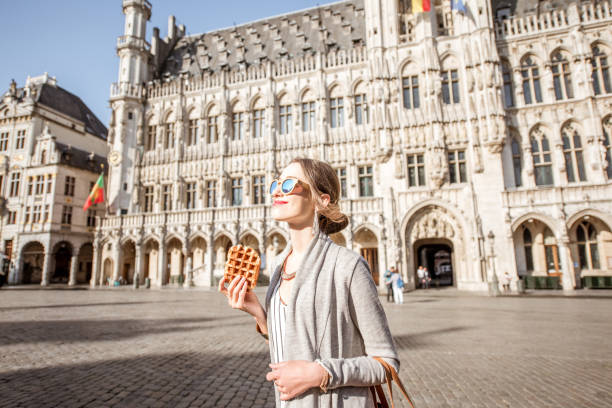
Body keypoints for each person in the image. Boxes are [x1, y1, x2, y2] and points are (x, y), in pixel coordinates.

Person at [218, 158, 399, 407]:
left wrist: (320, 373)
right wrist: (260, 315)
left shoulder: (348, 266)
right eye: (276, 184)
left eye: (290, 183)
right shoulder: (279, 267)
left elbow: (387, 363)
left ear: (321, 200)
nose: (278, 190)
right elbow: (300, 343)